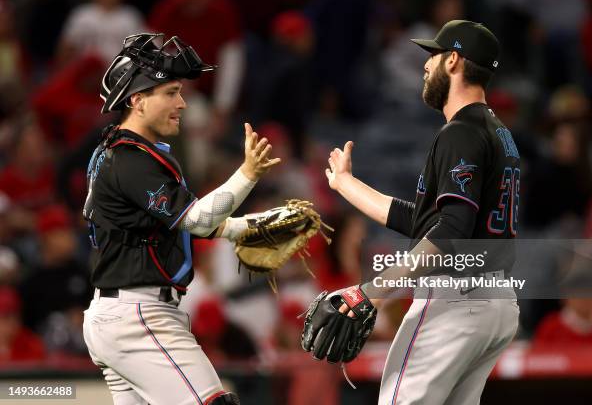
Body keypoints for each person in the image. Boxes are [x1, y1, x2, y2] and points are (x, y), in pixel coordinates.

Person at [312, 20, 520, 404]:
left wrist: (373, 292)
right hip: (496, 302)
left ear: (454, 60)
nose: (426, 65)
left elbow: (451, 230)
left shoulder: (460, 132)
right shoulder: (497, 132)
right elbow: (430, 221)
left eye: (434, 55)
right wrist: (347, 185)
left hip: (456, 300)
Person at [82, 33, 280, 405]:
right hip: (138, 315)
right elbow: (198, 221)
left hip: (121, 311)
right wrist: (248, 174)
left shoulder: (120, 152)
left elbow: (170, 226)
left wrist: (250, 226)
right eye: (171, 92)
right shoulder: (131, 159)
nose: (183, 103)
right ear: (137, 101)